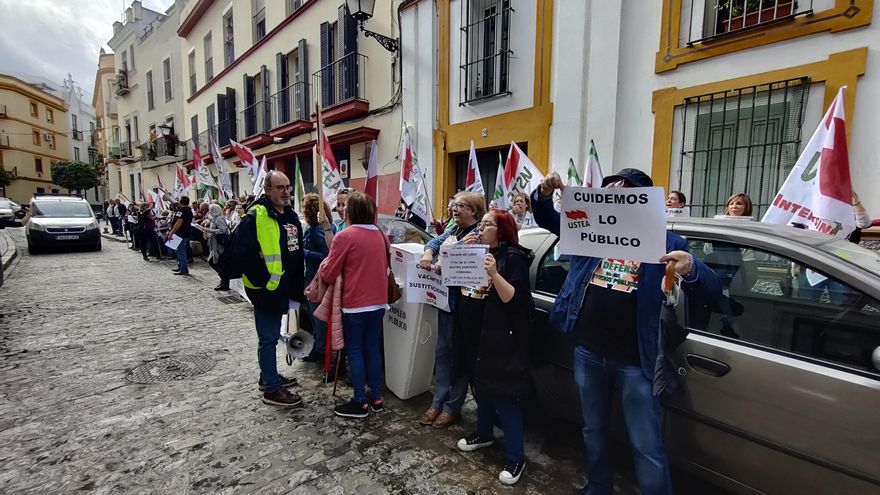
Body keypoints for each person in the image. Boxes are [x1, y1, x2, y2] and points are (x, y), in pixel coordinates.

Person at [531, 169, 721, 495]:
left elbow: (713, 290)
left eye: (624, 193)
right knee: (592, 429)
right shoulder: (589, 231)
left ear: (643, 202)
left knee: (645, 443)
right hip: (589, 352)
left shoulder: (667, 243)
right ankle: (598, 486)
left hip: (637, 360)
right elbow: (547, 217)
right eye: (610, 192)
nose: (614, 198)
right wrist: (543, 194)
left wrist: (691, 267)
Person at [454, 209, 533, 486]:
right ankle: (484, 432)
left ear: (502, 231)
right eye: (482, 224)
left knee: (504, 396)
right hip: (479, 332)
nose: (481, 229)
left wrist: (494, 274)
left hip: (503, 337)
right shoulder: (480, 251)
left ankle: (516, 456)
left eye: (487, 225)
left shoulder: (513, 258)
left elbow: (515, 299)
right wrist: (459, 251)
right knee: (482, 387)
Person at [233, 170, 305, 407]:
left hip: (286, 288)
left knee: (274, 336)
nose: (286, 192)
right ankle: (272, 390)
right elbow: (242, 255)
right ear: (267, 190)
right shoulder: (256, 215)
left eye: (287, 187)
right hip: (266, 290)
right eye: (280, 187)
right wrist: (264, 281)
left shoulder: (290, 214)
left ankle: (268, 377)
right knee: (268, 338)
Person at [417, 191, 485, 428]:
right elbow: (434, 243)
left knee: (459, 358)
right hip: (446, 304)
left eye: (461, 206)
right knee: (443, 354)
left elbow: (466, 263)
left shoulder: (477, 235)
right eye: (454, 205)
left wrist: (444, 261)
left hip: (464, 307)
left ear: (473, 211)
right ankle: (438, 401)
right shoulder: (454, 230)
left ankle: (451, 407)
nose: (454, 209)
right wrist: (428, 252)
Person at [320, 191, 389, 418]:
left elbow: (329, 273)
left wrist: (325, 265)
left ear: (351, 211)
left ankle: (360, 401)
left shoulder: (345, 236)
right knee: (372, 349)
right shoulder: (380, 234)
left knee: (355, 351)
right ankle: (376, 397)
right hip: (379, 303)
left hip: (355, 304)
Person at [301, 193, 336, 363]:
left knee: (318, 316)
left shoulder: (318, 230)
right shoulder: (318, 228)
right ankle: (319, 347)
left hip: (317, 279)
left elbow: (327, 255)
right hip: (314, 278)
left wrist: (304, 252)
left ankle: (320, 349)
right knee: (316, 316)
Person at [204, 203, 231, 291]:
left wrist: (210, 230)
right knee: (214, 261)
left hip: (218, 244)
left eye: (211, 210)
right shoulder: (214, 218)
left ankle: (225, 280)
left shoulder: (219, 218)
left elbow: (223, 230)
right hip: (214, 243)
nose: (209, 212)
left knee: (216, 261)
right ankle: (224, 280)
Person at [166, 196, 193, 276]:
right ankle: (180, 265)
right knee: (179, 250)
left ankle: (184, 269)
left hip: (180, 233)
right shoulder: (189, 210)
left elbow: (179, 222)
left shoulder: (181, 211)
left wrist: (171, 232)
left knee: (181, 251)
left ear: (181, 202)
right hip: (186, 232)